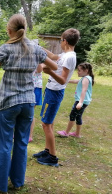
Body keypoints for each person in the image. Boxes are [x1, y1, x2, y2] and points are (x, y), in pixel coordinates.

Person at [0, 14, 57, 193]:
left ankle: (0, 183)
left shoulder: (6, 48)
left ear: (9, 30)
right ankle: (18, 181)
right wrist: (37, 66)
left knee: (6, 143)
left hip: (9, 103)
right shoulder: (36, 48)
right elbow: (53, 66)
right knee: (21, 143)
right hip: (28, 102)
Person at [33, 28, 80, 167]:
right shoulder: (66, 55)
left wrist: (49, 72)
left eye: (60, 40)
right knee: (49, 123)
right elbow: (53, 57)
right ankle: (47, 151)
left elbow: (63, 80)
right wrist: (39, 48)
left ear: (64, 41)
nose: (60, 42)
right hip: (51, 90)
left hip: (55, 92)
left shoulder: (70, 57)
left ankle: (52, 157)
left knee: (46, 124)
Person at [56, 62, 94, 138]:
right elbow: (76, 81)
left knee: (72, 115)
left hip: (81, 101)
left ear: (86, 71)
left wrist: (80, 102)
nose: (78, 72)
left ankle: (66, 132)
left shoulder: (86, 79)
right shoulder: (86, 78)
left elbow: (84, 90)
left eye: (79, 70)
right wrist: (66, 80)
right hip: (85, 101)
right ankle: (77, 134)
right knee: (78, 116)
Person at [29, 63, 43, 143]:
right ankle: (20, 132)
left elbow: (39, 70)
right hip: (25, 85)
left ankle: (29, 135)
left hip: (35, 87)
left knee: (30, 112)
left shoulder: (40, 56)